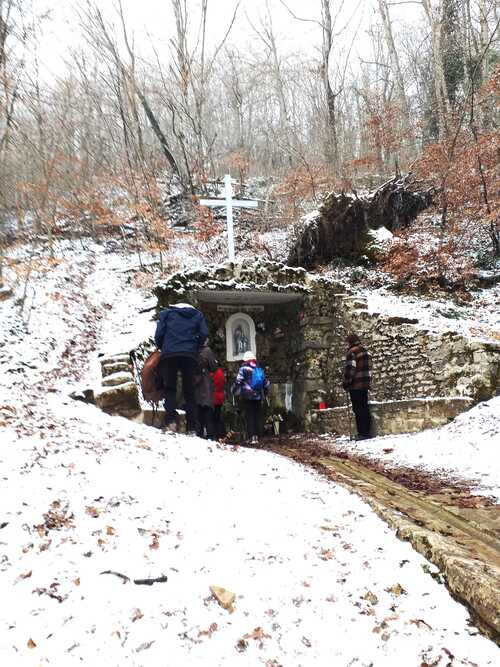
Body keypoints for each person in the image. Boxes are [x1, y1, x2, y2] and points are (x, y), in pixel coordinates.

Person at [154, 302, 208, 433]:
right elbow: (204, 333)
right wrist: (196, 346)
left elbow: (159, 334)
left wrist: (163, 346)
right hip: (189, 355)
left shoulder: (167, 314)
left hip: (169, 355)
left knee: (170, 388)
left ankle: (171, 422)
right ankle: (192, 427)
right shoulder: (197, 315)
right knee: (189, 391)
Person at [232, 350, 269, 445]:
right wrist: (265, 393)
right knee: (257, 416)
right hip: (258, 396)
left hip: (247, 396)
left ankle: (251, 436)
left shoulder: (243, 369)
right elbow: (265, 383)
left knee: (249, 416)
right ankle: (257, 436)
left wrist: (234, 390)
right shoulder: (258, 369)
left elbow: (238, 381)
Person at [342, 333, 372, 440]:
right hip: (365, 384)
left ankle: (362, 433)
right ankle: (367, 432)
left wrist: (346, 383)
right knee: (364, 407)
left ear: (350, 342)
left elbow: (350, 370)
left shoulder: (352, 352)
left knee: (358, 409)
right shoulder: (365, 351)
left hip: (355, 385)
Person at [195, 340, 218, 439]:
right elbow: (214, 367)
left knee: (198, 413)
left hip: (194, 384)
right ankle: (210, 436)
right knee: (208, 413)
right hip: (205, 384)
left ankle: (198, 433)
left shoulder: (192, 349)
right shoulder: (207, 351)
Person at [211, 364, 226, 439]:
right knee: (218, 416)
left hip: (213, 397)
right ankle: (220, 434)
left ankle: (214, 435)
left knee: (212, 418)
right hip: (219, 397)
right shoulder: (220, 372)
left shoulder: (211, 373)